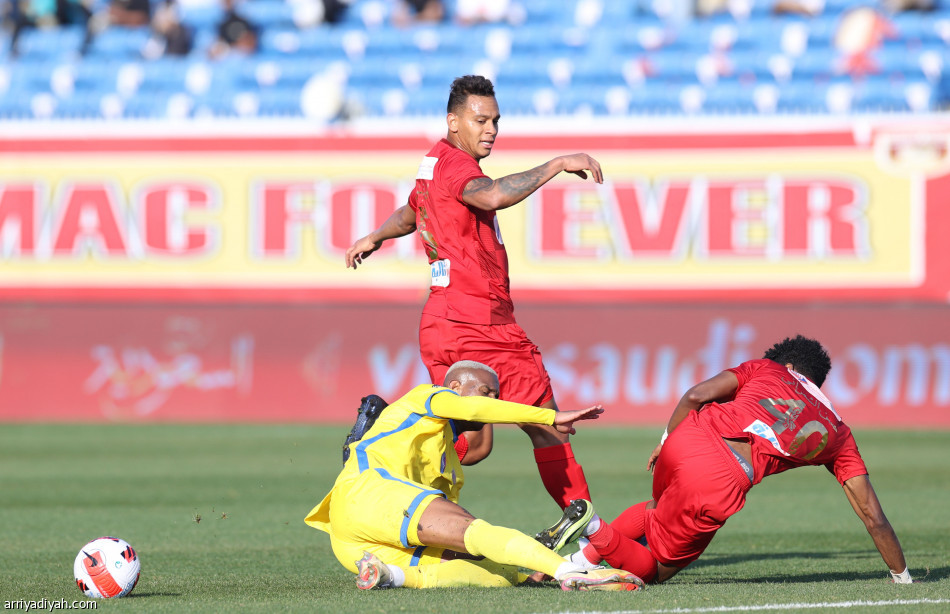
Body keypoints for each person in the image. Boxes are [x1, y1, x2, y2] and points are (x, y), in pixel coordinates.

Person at [344, 74, 603, 508]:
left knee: (475, 446)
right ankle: (588, 543)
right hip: (479, 323)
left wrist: (376, 236)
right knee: (548, 427)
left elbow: (414, 210)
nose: (491, 130)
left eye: (496, 121)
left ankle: (383, 439)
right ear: (453, 121)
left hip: (445, 322)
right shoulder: (458, 167)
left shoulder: (434, 162)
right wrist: (557, 164)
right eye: (481, 120)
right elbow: (494, 196)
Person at [535, 335, 913, 585]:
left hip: (686, 438)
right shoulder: (838, 433)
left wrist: (667, 440)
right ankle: (593, 525)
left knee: (656, 509)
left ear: (787, 366)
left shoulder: (766, 368)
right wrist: (902, 575)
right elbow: (872, 516)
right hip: (722, 477)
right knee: (655, 570)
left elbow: (696, 394)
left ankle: (580, 561)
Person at [304, 360, 643, 591]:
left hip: (354, 543)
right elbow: (472, 409)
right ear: (455, 386)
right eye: (487, 391)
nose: (494, 400)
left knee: (496, 574)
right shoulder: (427, 397)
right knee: (475, 532)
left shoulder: (450, 465)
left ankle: (388, 576)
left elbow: (448, 531)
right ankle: (571, 571)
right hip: (370, 494)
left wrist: (514, 568)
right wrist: (548, 417)